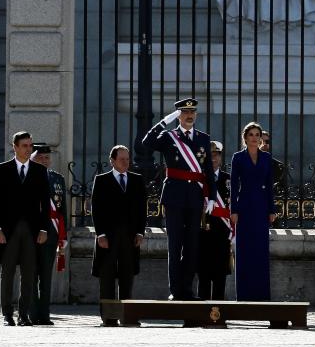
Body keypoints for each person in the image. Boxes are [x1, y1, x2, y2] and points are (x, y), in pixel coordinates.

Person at [142, 98, 216, 301]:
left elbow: (208, 170)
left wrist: (211, 197)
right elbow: (146, 142)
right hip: (174, 196)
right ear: (179, 116)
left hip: (194, 197)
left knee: (192, 244)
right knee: (175, 245)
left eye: (192, 112)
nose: (189, 116)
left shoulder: (203, 138)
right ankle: (175, 290)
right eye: (184, 113)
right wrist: (165, 121)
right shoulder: (168, 137)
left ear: (196, 115)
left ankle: (187, 290)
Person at [0, 131, 50, 326]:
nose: (28, 149)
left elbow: (44, 204)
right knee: (7, 272)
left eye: (30, 146)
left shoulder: (39, 171)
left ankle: (23, 314)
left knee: (29, 273)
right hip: (8, 230)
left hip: (32, 230)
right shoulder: (3, 169)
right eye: (24, 146)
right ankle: (7, 314)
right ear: (15, 147)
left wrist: (43, 229)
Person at [90, 145, 146, 327]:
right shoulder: (102, 180)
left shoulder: (137, 180)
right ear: (112, 161)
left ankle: (127, 315)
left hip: (129, 237)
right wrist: (101, 234)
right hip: (108, 237)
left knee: (127, 276)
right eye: (121, 159)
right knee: (107, 277)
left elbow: (141, 209)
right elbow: (96, 209)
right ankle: (109, 317)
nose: (125, 162)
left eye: (128, 159)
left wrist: (140, 232)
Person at [230, 122, 276, 301]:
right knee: (245, 251)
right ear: (245, 137)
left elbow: (270, 185)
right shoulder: (238, 158)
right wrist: (233, 210)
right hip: (245, 206)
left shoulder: (266, 158)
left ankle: (262, 296)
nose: (255, 138)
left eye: (257, 135)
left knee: (260, 251)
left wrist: (272, 209)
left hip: (262, 207)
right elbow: (234, 185)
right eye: (251, 135)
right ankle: (244, 295)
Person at [30, 142, 68, 326]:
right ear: (32, 158)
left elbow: (62, 209)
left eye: (47, 157)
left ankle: (44, 314)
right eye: (40, 157)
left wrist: (64, 235)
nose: (44, 161)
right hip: (33, 232)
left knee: (46, 275)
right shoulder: (27, 177)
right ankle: (31, 312)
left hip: (52, 232)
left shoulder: (57, 178)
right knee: (31, 274)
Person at [197, 140, 232, 301]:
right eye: (210, 155)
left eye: (216, 155)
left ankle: (219, 314)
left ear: (221, 158)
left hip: (222, 232)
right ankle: (202, 313)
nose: (213, 159)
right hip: (202, 233)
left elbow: (233, 207)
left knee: (220, 275)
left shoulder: (228, 180)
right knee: (203, 274)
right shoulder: (199, 179)